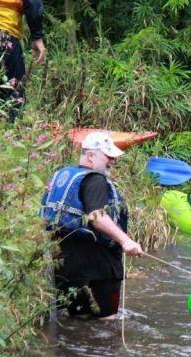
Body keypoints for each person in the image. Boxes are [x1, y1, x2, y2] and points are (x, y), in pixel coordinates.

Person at [40, 132, 143, 319]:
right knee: (106, 322)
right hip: (98, 269)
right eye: (108, 156)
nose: (112, 161)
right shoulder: (96, 180)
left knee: (76, 320)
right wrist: (126, 241)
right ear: (90, 156)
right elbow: (96, 216)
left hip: (65, 266)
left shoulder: (63, 174)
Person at [0, 0, 46, 120]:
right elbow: (32, 2)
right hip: (4, 34)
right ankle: (11, 135)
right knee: (14, 93)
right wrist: (38, 37)